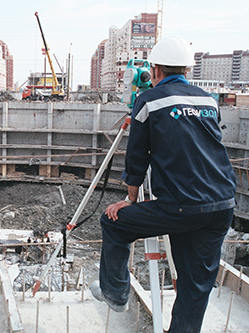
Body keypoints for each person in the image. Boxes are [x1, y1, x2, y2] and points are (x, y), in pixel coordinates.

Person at [90, 36, 237, 333]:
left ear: (155, 70)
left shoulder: (149, 100)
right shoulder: (209, 100)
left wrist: (130, 201)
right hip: (221, 205)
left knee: (114, 222)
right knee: (195, 287)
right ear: (187, 70)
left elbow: (137, 158)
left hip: (180, 207)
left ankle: (116, 294)